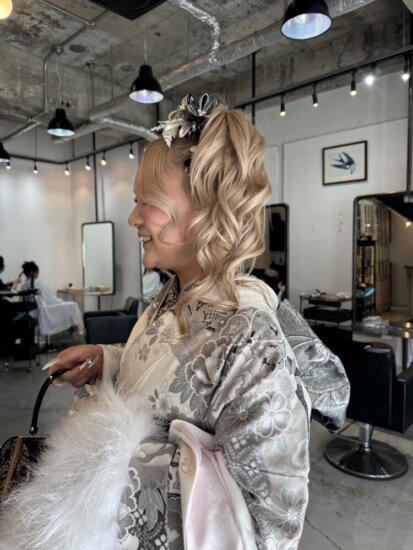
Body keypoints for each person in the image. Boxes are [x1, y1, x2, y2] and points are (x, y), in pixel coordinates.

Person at [0, 95, 349, 549]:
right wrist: (108, 360)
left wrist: (103, 458)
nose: (132, 217)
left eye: (146, 200)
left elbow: (271, 526)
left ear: (206, 205)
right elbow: (164, 370)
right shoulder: (170, 299)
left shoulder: (251, 341)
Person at [18, 260, 84, 336]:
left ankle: (70, 328)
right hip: (44, 310)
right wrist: (59, 301)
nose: (38, 274)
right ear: (34, 273)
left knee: (68, 305)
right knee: (73, 305)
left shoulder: (24, 285)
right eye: (38, 272)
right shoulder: (38, 283)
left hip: (33, 312)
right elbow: (51, 299)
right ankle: (72, 327)